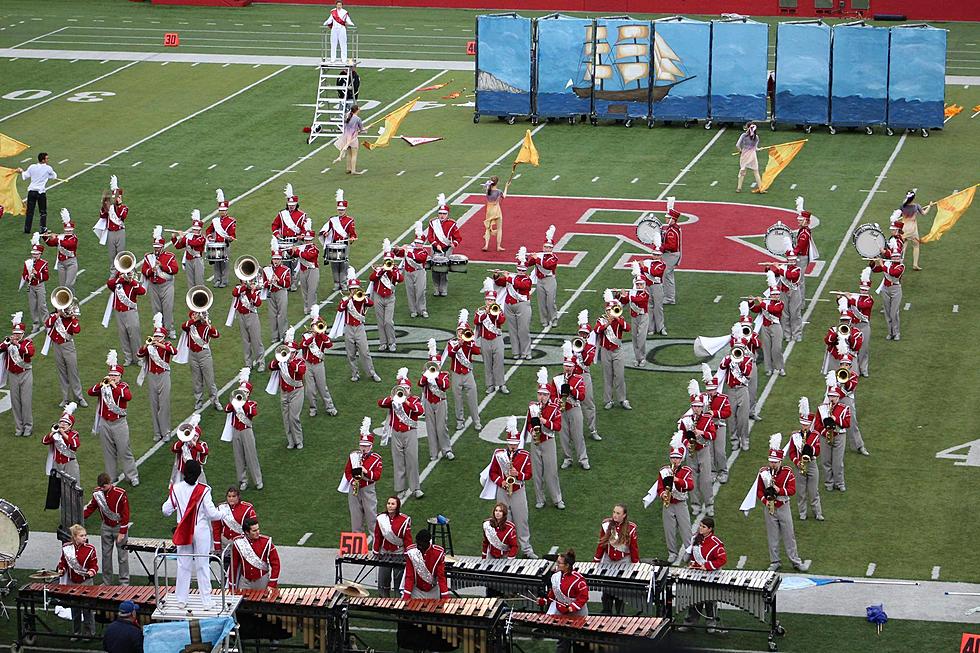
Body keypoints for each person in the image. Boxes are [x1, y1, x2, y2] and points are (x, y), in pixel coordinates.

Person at [162, 460, 222, 610]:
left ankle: (181, 600)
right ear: (198, 474)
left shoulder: (176, 488)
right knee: (202, 565)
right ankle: (206, 601)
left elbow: (166, 510)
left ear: (183, 472)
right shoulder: (205, 490)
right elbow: (212, 514)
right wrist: (223, 513)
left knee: (183, 564)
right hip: (201, 530)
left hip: (183, 529)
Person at [755, 434, 810, 572]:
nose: (773, 464)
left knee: (789, 535)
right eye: (771, 462)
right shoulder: (763, 472)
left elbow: (792, 490)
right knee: (772, 536)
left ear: (780, 461)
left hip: (783, 505)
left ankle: (795, 561)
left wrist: (779, 490)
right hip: (769, 507)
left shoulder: (788, 472)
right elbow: (759, 491)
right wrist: (765, 501)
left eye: (775, 462)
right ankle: (775, 561)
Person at [486, 416, 536, 558]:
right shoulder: (499, 454)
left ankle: (526, 549)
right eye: (511, 443)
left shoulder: (525, 455)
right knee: (503, 522)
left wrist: (517, 474)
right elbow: (492, 473)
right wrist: (501, 481)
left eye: (515, 443)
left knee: (522, 520)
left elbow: (529, 474)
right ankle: (506, 548)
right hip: (503, 491)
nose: (513, 446)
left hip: (518, 491)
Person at [88, 350, 138, 486]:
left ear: (120, 376)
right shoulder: (104, 387)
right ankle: (111, 477)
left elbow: (127, 396)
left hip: (119, 423)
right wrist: (101, 384)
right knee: (108, 452)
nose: (112, 377)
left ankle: (132, 476)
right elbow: (90, 392)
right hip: (105, 423)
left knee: (124, 451)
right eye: (111, 375)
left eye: (115, 375)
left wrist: (114, 385)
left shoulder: (122, 386)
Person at [645, 432, 694, 565]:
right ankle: (672, 552)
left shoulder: (686, 471)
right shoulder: (664, 471)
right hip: (668, 503)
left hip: (680, 503)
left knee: (685, 528)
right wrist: (663, 495)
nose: (675, 461)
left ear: (681, 459)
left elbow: (690, 485)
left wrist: (676, 479)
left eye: (677, 458)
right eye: (673, 458)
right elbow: (660, 487)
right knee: (669, 529)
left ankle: (689, 551)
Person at [378, 368, 424, 498]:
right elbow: (380, 403)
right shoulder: (393, 401)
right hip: (396, 434)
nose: (404, 391)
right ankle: (400, 489)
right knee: (398, 461)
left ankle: (415, 488)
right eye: (401, 389)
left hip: (410, 433)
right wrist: (392, 398)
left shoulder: (414, 400)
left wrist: (406, 401)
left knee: (412, 460)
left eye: (407, 389)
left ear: (410, 389)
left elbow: (419, 411)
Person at [676, 518, 727, 634]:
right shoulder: (695, 538)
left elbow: (722, 560)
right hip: (697, 574)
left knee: (710, 600)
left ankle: (711, 624)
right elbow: (694, 557)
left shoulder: (716, 543)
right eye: (700, 526)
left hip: (711, 575)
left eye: (703, 527)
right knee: (695, 599)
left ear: (710, 529)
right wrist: (692, 564)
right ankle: (689, 623)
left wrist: (708, 565)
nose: (700, 528)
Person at [523, 369, 564, 510]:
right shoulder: (533, 407)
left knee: (551, 472)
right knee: (537, 472)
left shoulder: (554, 408)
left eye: (544, 395)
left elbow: (557, 427)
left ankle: (557, 499)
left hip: (548, 441)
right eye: (540, 394)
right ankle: (540, 499)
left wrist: (544, 421)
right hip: (536, 442)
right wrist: (532, 431)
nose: (542, 397)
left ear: (549, 396)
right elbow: (528, 422)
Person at [333, 268, 381, 383]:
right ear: (349, 289)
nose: (354, 291)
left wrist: (362, 297)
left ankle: (372, 372)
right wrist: (349, 297)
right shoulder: (346, 299)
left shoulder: (362, 299)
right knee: (351, 354)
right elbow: (340, 308)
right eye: (352, 289)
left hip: (359, 328)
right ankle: (355, 373)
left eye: (355, 289)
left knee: (365, 352)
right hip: (349, 328)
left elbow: (371, 303)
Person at [83, 473, 131, 585]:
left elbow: (126, 514)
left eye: (104, 487)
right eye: (101, 487)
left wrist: (122, 532)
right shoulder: (98, 494)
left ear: (109, 483)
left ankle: (124, 583)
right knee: (106, 556)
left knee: (122, 557)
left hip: (119, 527)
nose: (102, 489)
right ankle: (107, 582)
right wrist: (79, 517)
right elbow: (91, 508)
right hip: (105, 526)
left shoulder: (120, 494)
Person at [537, 549, 589, 653]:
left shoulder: (579, 580)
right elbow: (553, 594)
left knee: (579, 644)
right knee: (562, 643)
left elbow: (583, 597)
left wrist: (572, 607)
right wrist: (544, 601)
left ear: (567, 566)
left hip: (577, 615)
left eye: (559, 563)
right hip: (562, 614)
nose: (557, 564)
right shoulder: (555, 577)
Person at [341, 418, 383, 542]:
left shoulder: (376, 458)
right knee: (356, 518)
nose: (363, 448)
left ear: (371, 446)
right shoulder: (354, 456)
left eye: (366, 446)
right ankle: (357, 547)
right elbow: (347, 471)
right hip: (354, 488)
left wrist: (365, 471)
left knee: (372, 518)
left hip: (367, 488)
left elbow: (377, 476)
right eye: (362, 445)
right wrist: (351, 480)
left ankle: (377, 547)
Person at [678, 384, 717, 516]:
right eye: (695, 406)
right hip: (691, 452)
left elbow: (713, 435)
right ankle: (695, 504)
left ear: (702, 407)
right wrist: (686, 443)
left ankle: (709, 504)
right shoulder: (686, 420)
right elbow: (682, 435)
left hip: (704, 450)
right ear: (692, 407)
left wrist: (702, 432)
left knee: (706, 480)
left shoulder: (707, 419)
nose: (697, 409)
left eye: (699, 406)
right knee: (693, 480)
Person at [593, 503, 639, 615]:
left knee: (620, 590)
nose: (615, 515)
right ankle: (606, 611)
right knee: (607, 588)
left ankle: (619, 613)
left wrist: (636, 565)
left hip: (624, 562)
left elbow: (633, 548)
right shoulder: (606, 525)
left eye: (618, 513)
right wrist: (596, 560)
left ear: (624, 515)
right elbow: (601, 544)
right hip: (608, 560)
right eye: (614, 512)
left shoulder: (631, 528)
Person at [137, 313, 176, 442]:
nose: (156, 338)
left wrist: (159, 345)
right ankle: (157, 432)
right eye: (155, 336)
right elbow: (139, 353)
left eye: (159, 336)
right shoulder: (150, 347)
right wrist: (146, 345)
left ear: (163, 337)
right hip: (152, 376)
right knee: (154, 405)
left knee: (164, 404)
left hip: (164, 376)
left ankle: (166, 431)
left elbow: (174, 351)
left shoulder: (167, 345)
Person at [223, 368, 263, 491]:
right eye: (242, 391)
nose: (243, 393)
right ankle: (242, 480)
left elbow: (253, 412)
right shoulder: (235, 402)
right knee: (239, 457)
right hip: (236, 431)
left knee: (251, 456)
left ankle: (258, 480)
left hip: (246, 430)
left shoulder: (250, 404)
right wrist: (236, 400)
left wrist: (242, 402)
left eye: (245, 392)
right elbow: (227, 409)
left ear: (248, 393)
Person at [44, 299, 87, 408]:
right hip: (57, 347)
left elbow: (77, 330)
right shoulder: (54, 316)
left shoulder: (71, 319)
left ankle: (79, 397)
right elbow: (47, 323)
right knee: (62, 373)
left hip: (68, 347)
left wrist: (72, 317)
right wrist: (58, 314)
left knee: (73, 372)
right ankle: (65, 398)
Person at [57, 524, 98, 638]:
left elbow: (94, 566)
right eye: (81, 535)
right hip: (72, 582)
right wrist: (61, 569)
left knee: (87, 609)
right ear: (75, 537)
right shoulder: (66, 548)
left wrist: (91, 572)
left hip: (86, 582)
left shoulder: (90, 549)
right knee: (74, 609)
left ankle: (89, 633)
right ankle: (76, 632)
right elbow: (63, 562)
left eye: (85, 535)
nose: (84, 537)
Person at [553, 345, 589, 471]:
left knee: (578, 435)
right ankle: (567, 458)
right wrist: (557, 401)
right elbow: (552, 395)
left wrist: (572, 389)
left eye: (570, 366)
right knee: (564, 437)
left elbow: (582, 396)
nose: (568, 368)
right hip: (561, 410)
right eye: (566, 366)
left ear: (574, 367)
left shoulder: (578, 379)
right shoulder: (557, 379)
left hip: (574, 408)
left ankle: (583, 459)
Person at [445, 311, 483, 432]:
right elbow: (451, 353)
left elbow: (478, 351)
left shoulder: (469, 342)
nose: (460, 334)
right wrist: (459, 345)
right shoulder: (452, 342)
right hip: (456, 374)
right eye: (459, 331)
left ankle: (476, 421)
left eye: (462, 331)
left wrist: (468, 342)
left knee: (473, 398)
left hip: (468, 375)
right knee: (458, 399)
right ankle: (459, 421)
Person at [270, 327, 306, 450]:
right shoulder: (281, 362)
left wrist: (290, 361)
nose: (288, 354)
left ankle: (299, 440)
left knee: (294, 417)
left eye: (291, 352)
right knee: (286, 418)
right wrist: (279, 359)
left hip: (296, 392)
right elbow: (271, 366)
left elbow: (301, 371)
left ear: (295, 352)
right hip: (284, 392)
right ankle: (291, 441)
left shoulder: (299, 361)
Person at [179, 308, 222, 412]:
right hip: (192, 355)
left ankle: (215, 401)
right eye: (193, 315)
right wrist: (194, 320)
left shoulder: (206, 327)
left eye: (196, 315)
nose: (195, 316)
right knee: (196, 380)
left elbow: (216, 334)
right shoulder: (190, 326)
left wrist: (207, 323)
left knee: (210, 380)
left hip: (204, 355)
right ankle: (198, 401)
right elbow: (183, 326)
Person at [788, 398, 823, 521]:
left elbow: (818, 451)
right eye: (803, 424)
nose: (804, 427)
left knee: (814, 491)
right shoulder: (795, 436)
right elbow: (791, 452)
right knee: (801, 492)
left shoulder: (815, 435)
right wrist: (797, 462)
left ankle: (817, 512)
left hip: (812, 464)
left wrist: (810, 450)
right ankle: (802, 513)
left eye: (807, 425)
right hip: (799, 466)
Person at [494, 248, 533, 359]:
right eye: (519, 270)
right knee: (512, 330)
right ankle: (516, 352)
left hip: (522, 305)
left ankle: (526, 352)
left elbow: (521, 286)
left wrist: (508, 277)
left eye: (523, 270)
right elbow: (500, 282)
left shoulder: (527, 279)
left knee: (523, 330)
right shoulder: (512, 277)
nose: (521, 272)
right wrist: (497, 275)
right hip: (509, 306)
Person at [300, 304, 338, 418]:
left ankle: (330, 407)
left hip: (318, 365)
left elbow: (329, 345)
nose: (315, 328)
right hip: (308, 365)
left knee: (323, 387)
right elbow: (302, 346)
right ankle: (313, 407)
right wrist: (312, 337)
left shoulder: (322, 337)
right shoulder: (306, 336)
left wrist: (321, 335)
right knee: (310, 390)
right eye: (313, 326)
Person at [596, 290, 631, 410]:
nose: (611, 312)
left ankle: (622, 399)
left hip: (617, 351)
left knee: (620, 376)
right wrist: (607, 324)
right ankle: (608, 400)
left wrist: (617, 319)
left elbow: (627, 328)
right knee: (608, 376)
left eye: (612, 310)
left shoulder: (619, 319)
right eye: (609, 310)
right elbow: (597, 330)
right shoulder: (601, 320)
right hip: (605, 351)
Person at [142, 226, 178, 341]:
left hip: (166, 285)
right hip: (154, 285)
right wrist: (150, 271)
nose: (156, 249)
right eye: (155, 247)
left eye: (158, 247)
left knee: (167, 308)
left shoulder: (169, 256)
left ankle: (169, 330)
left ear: (162, 247)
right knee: (156, 309)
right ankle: (159, 330)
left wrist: (162, 266)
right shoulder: (149, 257)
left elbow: (174, 269)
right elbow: (144, 270)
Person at [418, 339, 452, 461]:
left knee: (441, 427)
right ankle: (433, 452)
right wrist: (427, 376)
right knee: (430, 428)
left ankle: (446, 449)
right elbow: (420, 383)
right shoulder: (426, 375)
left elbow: (445, 385)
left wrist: (435, 377)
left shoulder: (444, 375)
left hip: (440, 402)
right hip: (428, 402)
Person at [717, 339, 753, 452]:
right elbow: (722, 366)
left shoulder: (747, 360)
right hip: (731, 391)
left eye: (741, 348)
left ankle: (745, 440)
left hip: (742, 390)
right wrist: (730, 359)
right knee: (731, 418)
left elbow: (748, 373)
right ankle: (734, 440)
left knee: (743, 418)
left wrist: (740, 362)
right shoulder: (729, 359)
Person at [1, 313, 35, 437]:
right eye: (15, 333)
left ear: (23, 334)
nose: (16, 335)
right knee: (15, 402)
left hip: (25, 374)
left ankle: (28, 427)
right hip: (13, 375)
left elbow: (29, 353)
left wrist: (17, 344)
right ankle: (19, 427)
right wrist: (8, 342)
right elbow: (0, 348)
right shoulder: (9, 343)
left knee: (25, 402)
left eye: (18, 333)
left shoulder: (27, 343)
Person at [107, 262, 146, 367]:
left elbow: (142, 291)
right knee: (123, 335)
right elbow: (109, 284)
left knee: (134, 335)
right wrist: (120, 279)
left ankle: (138, 358)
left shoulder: (133, 281)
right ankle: (128, 358)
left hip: (130, 311)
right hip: (119, 312)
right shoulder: (118, 280)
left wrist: (131, 281)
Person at [319, 189, 358, 291]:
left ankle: (344, 282)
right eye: (339, 210)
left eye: (342, 210)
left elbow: (353, 233)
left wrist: (352, 238)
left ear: (345, 209)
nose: (340, 211)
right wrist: (325, 233)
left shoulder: (350, 220)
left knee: (343, 263)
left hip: (344, 243)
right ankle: (336, 283)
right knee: (335, 264)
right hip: (334, 243)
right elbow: (326, 229)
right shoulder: (333, 219)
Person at [373, 495, 412, 597]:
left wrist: (408, 554)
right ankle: (383, 601)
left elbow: (408, 539)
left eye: (392, 504)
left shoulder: (404, 520)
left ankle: (398, 603)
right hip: (385, 552)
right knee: (383, 579)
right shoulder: (381, 518)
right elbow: (378, 536)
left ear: (397, 506)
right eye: (388, 503)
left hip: (398, 554)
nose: (390, 506)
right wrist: (376, 551)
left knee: (398, 580)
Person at [474, 278, 507, 393]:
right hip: (485, 340)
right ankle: (490, 385)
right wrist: (486, 314)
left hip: (497, 339)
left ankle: (501, 384)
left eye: (492, 300)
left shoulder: (498, 310)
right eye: (488, 300)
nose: (489, 302)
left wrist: (495, 314)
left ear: (495, 301)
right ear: (485, 300)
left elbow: (502, 321)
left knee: (499, 362)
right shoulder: (480, 311)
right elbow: (476, 321)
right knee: (487, 364)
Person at [369, 240, 403, 352]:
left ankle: (392, 342)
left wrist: (390, 271)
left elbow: (400, 279)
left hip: (390, 298)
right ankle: (383, 343)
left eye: (390, 261)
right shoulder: (379, 270)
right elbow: (372, 278)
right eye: (386, 261)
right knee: (380, 321)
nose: (388, 262)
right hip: (378, 297)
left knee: (388, 321)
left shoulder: (395, 270)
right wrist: (382, 270)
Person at [229, 517, 280, 592]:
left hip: (262, 580)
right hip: (244, 581)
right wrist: (231, 584)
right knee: (241, 602)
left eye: (258, 529)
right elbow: (234, 565)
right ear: (247, 532)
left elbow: (276, 564)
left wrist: (272, 583)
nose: (258, 532)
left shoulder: (266, 542)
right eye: (254, 530)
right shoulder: (238, 542)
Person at [573, 312, 602, 441]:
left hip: (584, 375)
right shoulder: (572, 345)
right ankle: (574, 431)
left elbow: (588, 361)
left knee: (589, 403)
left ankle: (592, 429)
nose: (582, 335)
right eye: (581, 333)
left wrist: (582, 347)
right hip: (573, 376)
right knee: (572, 405)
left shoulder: (590, 347)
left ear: (588, 335)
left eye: (585, 334)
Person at [702, 366, 732, 484]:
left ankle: (723, 471)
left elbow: (727, 413)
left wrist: (714, 413)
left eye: (712, 389)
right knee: (710, 452)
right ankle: (713, 471)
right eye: (709, 390)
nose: (710, 392)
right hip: (707, 428)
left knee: (720, 451)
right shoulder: (703, 399)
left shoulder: (723, 399)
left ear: (716, 388)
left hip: (719, 426)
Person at [427, 195, 461, 297]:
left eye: (444, 214)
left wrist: (453, 244)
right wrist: (436, 244)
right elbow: (430, 236)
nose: (442, 215)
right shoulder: (433, 222)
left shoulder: (452, 224)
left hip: (446, 249)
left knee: (444, 270)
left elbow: (458, 238)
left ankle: (443, 288)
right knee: (435, 269)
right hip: (435, 249)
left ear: (447, 214)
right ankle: (436, 289)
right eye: (440, 213)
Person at [17, 152, 59, 233]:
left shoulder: (32, 166)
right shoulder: (48, 168)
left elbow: (25, 176)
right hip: (41, 193)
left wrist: (21, 171)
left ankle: (27, 229)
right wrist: (48, 176)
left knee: (29, 211)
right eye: (47, 158)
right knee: (43, 212)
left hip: (31, 191)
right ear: (43, 160)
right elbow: (54, 176)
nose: (48, 160)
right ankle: (43, 228)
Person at [231, 270, 264, 371]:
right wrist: (245, 286)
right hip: (241, 316)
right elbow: (235, 293)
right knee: (245, 341)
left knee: (256, 340)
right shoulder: (239, 288)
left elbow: (258, 303)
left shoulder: (255, 290)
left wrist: (252, 292)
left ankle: (261, 362)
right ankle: (248, 363)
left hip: (252, 315)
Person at [272, 184, 306, 282]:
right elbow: (274, 225)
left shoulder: (302, 215)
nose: (291, 207)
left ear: (296, 205)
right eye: (289, 205)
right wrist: (277, 234)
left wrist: (301, 236)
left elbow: (305, 229)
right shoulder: (282, 214)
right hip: (284, 241)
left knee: (294, 263)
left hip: (295, 242)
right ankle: (286, 281)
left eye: (293, 205)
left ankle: (294, 282)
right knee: (285, 263)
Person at [212, 487, 257, 560]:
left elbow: (253, 528)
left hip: (242, 543)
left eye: (234, 496)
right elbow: (216, 529)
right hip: (225, 543)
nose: (231, 498)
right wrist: (217, 547)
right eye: (229, 496)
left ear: (238, 497)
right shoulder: (221, 508)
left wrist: (253, 543)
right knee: (226, 567)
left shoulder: (247, 508)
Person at [395, 221, 429, 318]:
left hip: (419, 273)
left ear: (422, 244)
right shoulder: (410, 249)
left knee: (420, 291)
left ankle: (422, 309)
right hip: (408, 272)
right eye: (416, 243)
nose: (417, 245)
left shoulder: (424, 252)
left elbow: (418, 259)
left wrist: (406, 250)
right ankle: (413, 310)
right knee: (410, 291)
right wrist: (397, 249)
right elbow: (398, 254)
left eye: (420, 243)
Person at [402, 530, 448, 600]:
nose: (418, 546)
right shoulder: (412, 552)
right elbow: (409, 577)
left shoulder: (438, 553)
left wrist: (445, 598)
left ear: (428, 542)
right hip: (416, 591)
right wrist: (406, 597)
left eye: (421, 545)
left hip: (433, 591)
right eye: (417, 543)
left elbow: (441, 577)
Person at [845, 268, 874, 377]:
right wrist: (841, 298)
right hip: (854, 326)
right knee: (853, 348)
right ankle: (855, 370)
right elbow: (846, 305)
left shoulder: (869, 299)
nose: (863, 292)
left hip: (864, 326)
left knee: (864, 349)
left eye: (865, 290)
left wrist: (850, 298)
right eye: (862, 289)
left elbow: (862, 306)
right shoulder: (856, 297)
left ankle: (864, 369)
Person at [870, 247, 904, 341]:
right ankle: (890, 333)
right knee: (887, 312)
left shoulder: (901, 267)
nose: (896, 258)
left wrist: (881, 264)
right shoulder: (888, 263)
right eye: (894, 257)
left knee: (894, 312)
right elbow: (875, 270)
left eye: (898, 257)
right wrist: (873, 262)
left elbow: (893, 273)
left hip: (896, 289)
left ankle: (897, 333)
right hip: (885, 289)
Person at [619, 264, 650, 366]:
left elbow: (639, 301)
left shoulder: (645, 293)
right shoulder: (633, 292)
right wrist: (622, 295)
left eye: (641, 284)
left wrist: (628, 295)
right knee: (635, 338)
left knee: (641, 338)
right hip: (634, 317)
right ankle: (638, 358)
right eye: (638, 284)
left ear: (644, 285)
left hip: (643, 317)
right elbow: (625, 300)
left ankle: (642, 357)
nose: (639, 286)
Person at [206, 189, 237, 289]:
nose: (222, 212)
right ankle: (217, 280)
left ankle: (224, 280)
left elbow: (233, 235)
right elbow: (208, 230)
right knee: (216, 263)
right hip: (216, 244)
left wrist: (230, 238)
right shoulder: (215, 221)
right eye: (220, 210)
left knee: (224, 264)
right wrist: (210, 237)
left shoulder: (231, 221)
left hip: (224, 244)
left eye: (223, 210)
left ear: (227, 210)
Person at [43, 403, 81, 482]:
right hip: (57, 463)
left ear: (70, 426)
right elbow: (45, 441)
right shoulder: (56, 434)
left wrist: (63, 434)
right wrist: (53, 432)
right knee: (56, 486)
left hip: (69, 463)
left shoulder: (74, 434)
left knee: (71, 487)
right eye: (61, 422)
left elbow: (75, 444)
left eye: (65, 423)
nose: (62, 425)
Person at [529, 226, 558, 328]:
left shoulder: (554, 258)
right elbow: (529, 264)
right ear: (543, 247)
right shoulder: (539, 255)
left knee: (550, 302)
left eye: (549, 247)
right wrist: (527, 257)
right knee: (541, 302)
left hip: (549, 280)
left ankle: (554, 319)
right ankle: (544, 320)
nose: (547, 249)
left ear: (552, 248)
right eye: (546, 247)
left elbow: (547, 265)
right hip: (540, 280)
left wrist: (536, 258)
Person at [770, 253, 803, 343]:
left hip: (794, 292)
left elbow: (790, 276)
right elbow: (774, 274)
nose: (792, 261)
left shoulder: (797, 269)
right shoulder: (783, 267)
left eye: (793, 260)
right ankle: (787, 335)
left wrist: (779, 267)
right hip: (783, 292)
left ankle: (797, 334)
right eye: (790, 260)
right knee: (784, 314)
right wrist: (768, 268)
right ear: (787, 260)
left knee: (795, 313)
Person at [44, 208, 79, 291]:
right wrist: (46, 237)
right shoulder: (61, 237)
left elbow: (67, 244)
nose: (68, 232)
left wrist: (55, 238)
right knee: (62, 287)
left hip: (71, 263)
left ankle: (71, 302)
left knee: (68, 285)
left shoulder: (74, 238)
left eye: (70, 230)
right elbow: (51, 244)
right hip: (61, 264)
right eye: (67, 230)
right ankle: (66, 303)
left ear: (72, 230)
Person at [264, 239, 291, 344]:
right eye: (274, 259)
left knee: (282, 314)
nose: (275, 261)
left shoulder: (285, 270)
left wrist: (278, 280)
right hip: (271, 293)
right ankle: (275, 336)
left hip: (281, 292)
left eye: (277, 259)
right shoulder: (267, 269)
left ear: (281, 259)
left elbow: (287, 284)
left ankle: (283, 334)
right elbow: (264, 283)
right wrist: (269, 283)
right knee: (272, 315)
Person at [99, 176, 128, 272]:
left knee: (120, 254)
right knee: (112, 255)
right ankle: (113, 272)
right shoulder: (109, 207)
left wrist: (119, 205)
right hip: (111, 232)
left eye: (119, 197)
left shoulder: (123, 207)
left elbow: (122, 216)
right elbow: (102, 216)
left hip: (120, 232)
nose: (117, 199)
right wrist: (103, 206)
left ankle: (122, 272)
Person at [23, 234, 50, 331]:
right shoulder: (28, 263)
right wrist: (28, 277)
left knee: (42, 305)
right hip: (31, 286)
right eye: (33, 253)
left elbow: (46, 277)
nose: (34, 255)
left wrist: (36, 273)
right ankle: (36, 323)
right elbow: (24, 275)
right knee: (32, 305)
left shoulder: (44, 263)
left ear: (40, 254)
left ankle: (47, 324)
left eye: (36, 254)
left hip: (39, 285)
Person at [170, 415, 208, 485]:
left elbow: (205, 451)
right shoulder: (183, 444)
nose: (194, 438)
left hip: (195, 473)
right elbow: (174, 449)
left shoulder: (202, 444)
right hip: (182, 471)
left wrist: (194, 444)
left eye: (196, 436)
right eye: (193, 435)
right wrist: (183, 440)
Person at [172, 213, 206, 289]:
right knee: (190, 282)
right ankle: (192, 298)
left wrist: (183, 236)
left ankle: (201, 298)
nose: (195, 231)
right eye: (194, 229)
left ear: (200, 230)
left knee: (199, 281)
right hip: (188, 260)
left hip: (197, 260)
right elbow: (178, 246)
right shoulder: (189, 236)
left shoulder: (202, 238)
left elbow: (193, 243)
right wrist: (174, 238)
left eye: (197, 230)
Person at [640, 244, 667, 335]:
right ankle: (651, 328)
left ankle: (661, 328)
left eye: (658, 255)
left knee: (658, 307)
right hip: (647, 286)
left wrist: (644, 267)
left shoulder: (662, 264)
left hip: (657, 286)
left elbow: (655, 273)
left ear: (661, 255)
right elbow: (641, 272)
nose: (656, 256)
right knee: (649, 307)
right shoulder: (647, 261)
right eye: (654, 254)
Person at [792, 197, 817, 296]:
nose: (798, 221)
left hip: (802, 257)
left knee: (800, 280)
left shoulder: (804, 233)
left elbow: (800, 247)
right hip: (802, 257)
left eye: (801, 220)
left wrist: (792, 253)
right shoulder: (803, 230)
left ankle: (800, 302)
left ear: (805, 221)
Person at [293, 225, 321, 315]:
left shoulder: (314, 249)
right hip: (303, 270)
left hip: (312, 270)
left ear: (312, 240)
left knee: (312, 290)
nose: (307, 241)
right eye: (306, 239)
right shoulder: (301, 247)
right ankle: (306, 306)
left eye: (309, 239)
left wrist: (296, 251)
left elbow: (307, 256)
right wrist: (291, 250)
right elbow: (294, 255)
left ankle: (312, 307)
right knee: (304, 290)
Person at [660, 198, 683, 304]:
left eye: (668, 218)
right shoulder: (673, 228)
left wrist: (661, 247)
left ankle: (669, 298)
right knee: (668, 276)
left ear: (672, 219)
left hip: (671, 255)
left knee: (666, 276)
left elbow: (672, 246)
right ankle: (669, 296)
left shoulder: (671, 231)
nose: (666, 219)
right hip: (672, 255)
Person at [899, 189, 928, 271]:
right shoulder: (916, 206)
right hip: (912, 229)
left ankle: (900, 262)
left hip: (903, 228)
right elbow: (924, 213)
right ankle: (915, 264)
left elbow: (899, 214)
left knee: (903, 246)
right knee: (916, 246)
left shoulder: (902, 206)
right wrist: (929, 206)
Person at [735, 123, 764, 193]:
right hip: (753, 155)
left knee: (742, 171)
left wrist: (740, 151)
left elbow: (737, 145)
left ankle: (739, 188)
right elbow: (755, 148)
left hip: (745, 154)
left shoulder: (744, 135)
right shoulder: (756, 137)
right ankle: (761, 188)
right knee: (756, 171)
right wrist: (760, 149)